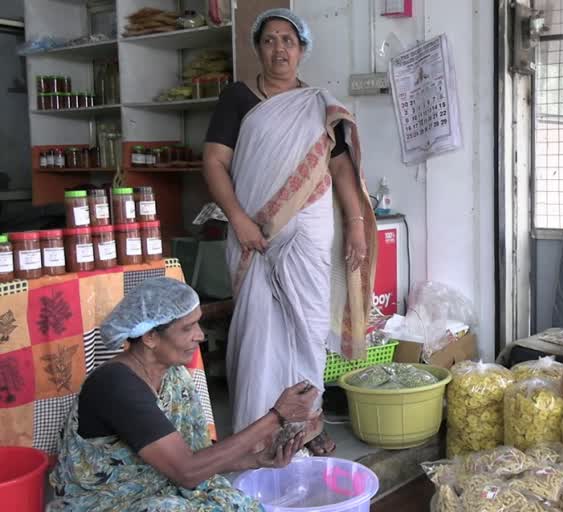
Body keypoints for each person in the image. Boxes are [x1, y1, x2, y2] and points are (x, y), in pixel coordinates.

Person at [202, 8, 377, 455]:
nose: (279, 49)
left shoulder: (318, 104)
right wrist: (239, 218)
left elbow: (340, 167)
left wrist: (356, 224)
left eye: (288, 41)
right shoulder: (237, 98)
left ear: (302, 50)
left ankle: (308, 423)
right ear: (258, 48)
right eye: (270, 40)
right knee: (258, 328)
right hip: (253, 231)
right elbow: (215, 162)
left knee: (307, 325)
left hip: (311, 230)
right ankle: (258, 431)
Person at [49, 278, 320, 512]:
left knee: (229, 499)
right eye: (187, 328)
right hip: (106, 503)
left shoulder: (172, 375)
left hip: (161, 486)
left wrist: (256, 459)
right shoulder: (115, 384)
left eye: (198, 324)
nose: (200, 336)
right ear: (150, 337)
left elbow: (196, 458)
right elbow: (187, 471)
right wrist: (275, 417)